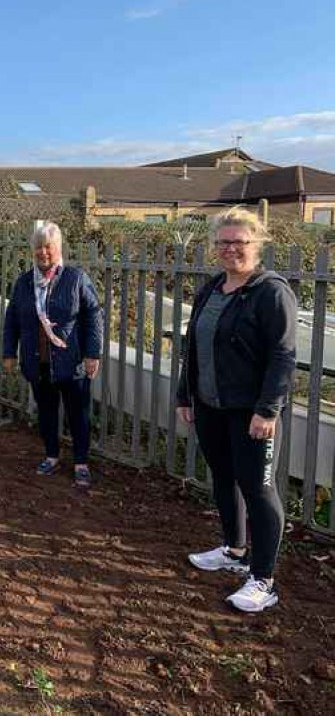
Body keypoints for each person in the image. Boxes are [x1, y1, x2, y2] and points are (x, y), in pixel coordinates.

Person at [177, 209, 296, 613]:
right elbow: (192, 346)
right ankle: (233, 549)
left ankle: (263, 578)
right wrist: (184, 395)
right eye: (224, 242)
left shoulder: (271, 292)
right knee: (223, 478)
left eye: (239, 242)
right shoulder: (211, 289)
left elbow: (283, 356)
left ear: (256, 244)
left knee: (259, 490)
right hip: (211, 406)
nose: (231, 249)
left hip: (252, 412)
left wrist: (268, 410)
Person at [1, 221, 102, 489]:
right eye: (38, 248)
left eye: (48, 247)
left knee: (78, 414)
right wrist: (9, 351)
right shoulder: (24, 283)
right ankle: (51, 455)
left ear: (58, 248)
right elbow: (12, 319)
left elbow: (93, 315)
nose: (43, 253)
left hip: (72, 361)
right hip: (38, 361)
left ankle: (81, 462)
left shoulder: (76, 278)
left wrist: (93, 353)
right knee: (46, 412)